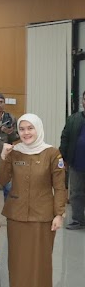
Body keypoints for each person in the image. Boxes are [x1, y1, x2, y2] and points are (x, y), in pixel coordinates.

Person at [0, 114, 67, 287]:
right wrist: (3, 157)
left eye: (30, 128)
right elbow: (2, 181)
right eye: (22, 129)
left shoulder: (52, 153)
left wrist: (59, 213)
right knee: (17, 261)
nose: (26, 133)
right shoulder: (14, 151)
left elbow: (59, 186)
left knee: (39, 263)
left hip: (42, 216)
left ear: (38, 129)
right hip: (17, 214)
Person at [58, 90, 85, 230]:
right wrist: (63, 158)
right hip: (77, 164)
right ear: (83, 102)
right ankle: (78, 220)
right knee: (76, 194)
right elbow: (65, 138)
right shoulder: (73, 119)